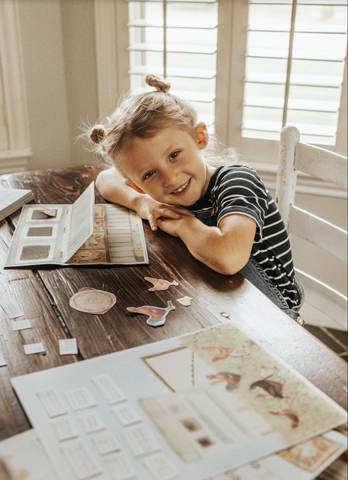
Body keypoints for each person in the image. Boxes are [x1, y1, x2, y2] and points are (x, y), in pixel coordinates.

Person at [91, 74, 304, 321]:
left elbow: (229, 257)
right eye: (149, 173)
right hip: (217, 304)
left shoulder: (238, 182)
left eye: (174, 155)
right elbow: (105, 179)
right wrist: (143, 203)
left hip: (275, 315)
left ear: (200, 137)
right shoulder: (156, 194)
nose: (170, 178)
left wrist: (183, 224)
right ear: (137, 186)